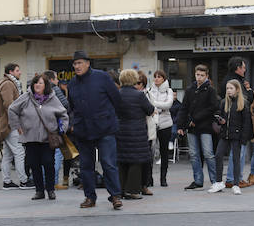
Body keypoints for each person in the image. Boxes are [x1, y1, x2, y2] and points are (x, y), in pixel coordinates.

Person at [67, 50, 124, 210]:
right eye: (75, 64)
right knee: (86, 166)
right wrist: (73, 123)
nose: (77, 66)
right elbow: (71, 107)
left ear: (87, 63)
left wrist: (111, 119)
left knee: (108, 163)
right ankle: (89, 197)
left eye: (79, 63)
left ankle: (115, 196)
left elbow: (117, 100)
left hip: (105, 128)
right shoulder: (72, 84)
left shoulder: (102, 77)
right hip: (83, 131)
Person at [8, 73, 69, 201]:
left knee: (48, 163)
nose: (37, 85)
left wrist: (62, 128)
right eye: (35, 83)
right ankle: (39, 191)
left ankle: (50, 190)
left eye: (40, 83)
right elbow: (12, 109)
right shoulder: (26, 97)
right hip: (30, 138)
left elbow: (64, 114)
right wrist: (16, 126)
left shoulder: (53, 98)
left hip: (48, 139)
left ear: (45, 85)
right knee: (34, 164)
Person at [114, 69, 155, 199]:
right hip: (137, 131)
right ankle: (132, 190)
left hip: (120, 131)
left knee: (121, 161)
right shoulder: (139, 95)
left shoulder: (117, 94)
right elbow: (150, 110)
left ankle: (119, 190)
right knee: (136, 161)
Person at [178, 64, 219, 190]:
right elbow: (184, 108)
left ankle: (215, 181)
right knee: (194, 154)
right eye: (197, 75)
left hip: (205, 126)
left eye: (202, 75)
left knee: (208, 153)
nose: (199, 77)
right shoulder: (190, 89)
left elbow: (213, 108)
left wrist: (195, 119)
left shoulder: (211, 90)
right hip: (191, 127)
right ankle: (198, 180)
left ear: (207, 76)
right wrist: (181, 125)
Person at [210, 79, 252, 195]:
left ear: (237, 89)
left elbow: (246, 123)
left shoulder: (243, 103)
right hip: (225, 134)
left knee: (236, 159)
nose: (228, 90)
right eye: (227, 88)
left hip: (237, 136)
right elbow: (220, 117)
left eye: (231, 88)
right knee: (218, 155)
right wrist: (219, 120)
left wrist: (243, 139)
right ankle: (218, 182)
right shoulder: (224, 102)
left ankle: (236, 184)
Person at [0, 63, 32, 190]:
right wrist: (16, 123)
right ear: (11, 72)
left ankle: (7, 182)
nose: (20, 72)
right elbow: (9, 105)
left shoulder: (8, 83)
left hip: (7, 124)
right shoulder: (8, 84)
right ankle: (24, 181)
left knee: (8, 155)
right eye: (18, 70)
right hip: (10, 125)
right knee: (19, 153)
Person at [224, 57, 253, 189]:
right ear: (238, 68)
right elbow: (247, 100)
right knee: (238, 153)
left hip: (233, 123)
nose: (245, 70)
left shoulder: (233, 80)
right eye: (243, 67)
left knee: (237, 152)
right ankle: (233, 178)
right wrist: (250, 90)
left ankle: (234, 177)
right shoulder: (236, 82)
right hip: (238, 123)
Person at [44, 70, 72, 190]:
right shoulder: (55, 89)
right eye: (55, 78)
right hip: (55, 124)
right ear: (51, 79)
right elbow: (65, 105)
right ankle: (53, 182)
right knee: (57, 154)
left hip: (44, 125)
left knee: (46, 154)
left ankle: (46, 181)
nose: (57, 81)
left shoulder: (40, 89)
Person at [146, 69, 174, 187]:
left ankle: (163, 178)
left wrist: (154, 103)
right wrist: (155, 104)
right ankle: (149, 178)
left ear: (164, 78)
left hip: (165, 123)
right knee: (150, 152)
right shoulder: (149, 91)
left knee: (164, 152)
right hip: (152, 123)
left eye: (159, 77)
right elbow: (146, 105)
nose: (156, 79)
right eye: (155, 76)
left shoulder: (169, 91)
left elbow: (168, 104)